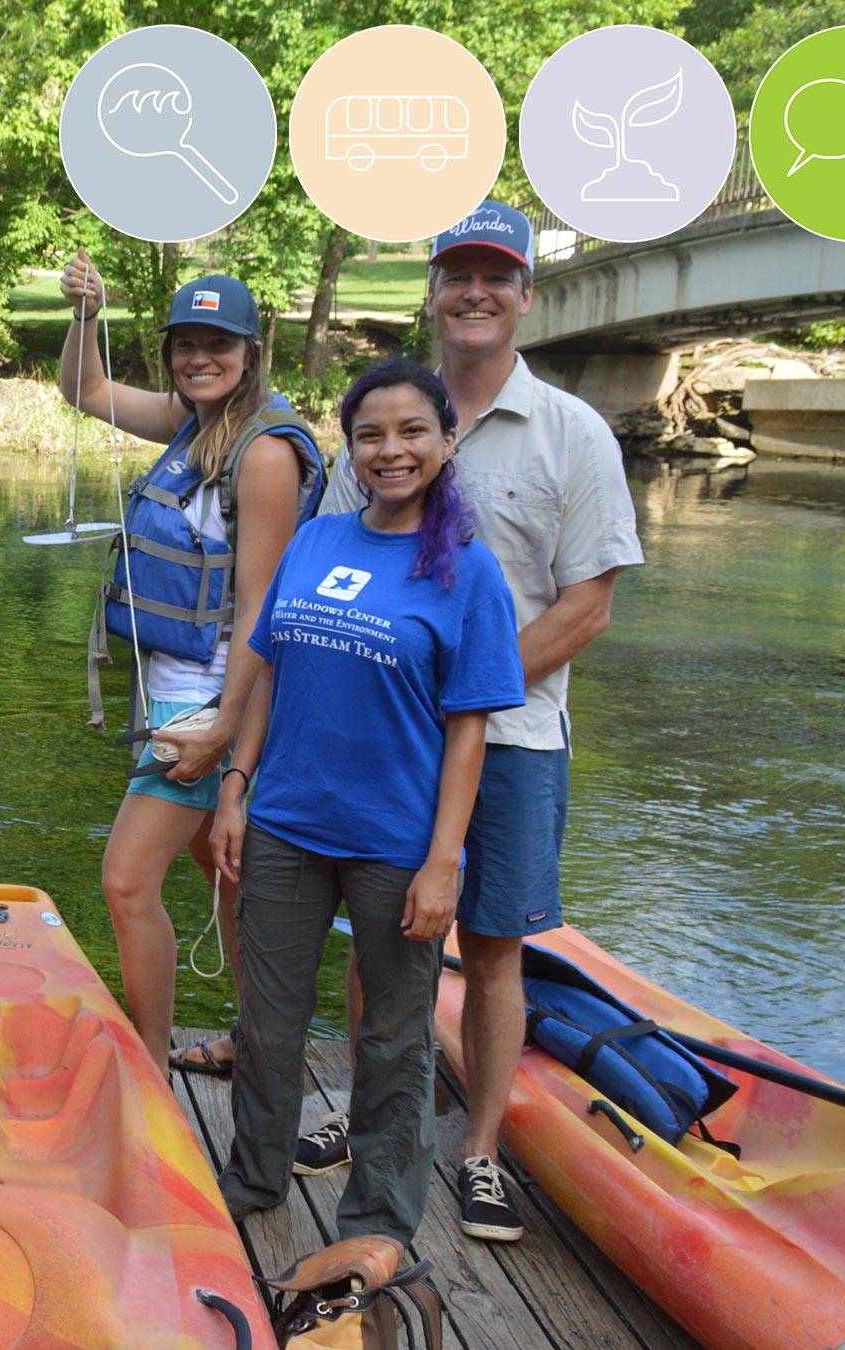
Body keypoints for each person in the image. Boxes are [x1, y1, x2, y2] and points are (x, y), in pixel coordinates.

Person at [292, 202, 645, 1244]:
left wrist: (464, 694)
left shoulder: (573, 433)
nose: (476, 292)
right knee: (377, 936)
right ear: (435, 291)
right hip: (389, 746)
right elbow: (328, 574)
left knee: (492, 951)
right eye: (458, 274)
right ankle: (364, 1119)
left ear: (527, 294)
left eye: (498, 275)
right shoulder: (390, 417)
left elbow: (588, 606)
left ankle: (480, 1151)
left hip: (518, 742)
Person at [210, 358, 525, 1244]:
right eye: (371, 435)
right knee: (267, 1022)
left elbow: (470, 732)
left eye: (412, 431)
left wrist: (442, 864)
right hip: (285, 826)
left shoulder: (469, 574)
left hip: (395, 845)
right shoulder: (316, 541)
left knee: (394, 1043)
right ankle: (256, 1178)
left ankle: (378, 1216)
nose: (391, 451)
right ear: (350, 449)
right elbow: (270, 671)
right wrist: (237, 786)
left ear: (447, 439)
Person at [57, 253, 326, 1075]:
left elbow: (261, 610)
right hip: (179, 697)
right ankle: (262, 1045)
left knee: (128, 881)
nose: (199, 358)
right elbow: (84, 391)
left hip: (210, 706)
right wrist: (85, 316)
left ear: (251, 352)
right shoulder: (190, 423)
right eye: (185, 344)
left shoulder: (263, 454)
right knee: (228, 876)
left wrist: (224, 730)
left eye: (219, 344)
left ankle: (146, 1072)